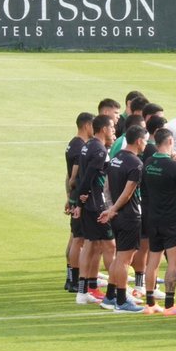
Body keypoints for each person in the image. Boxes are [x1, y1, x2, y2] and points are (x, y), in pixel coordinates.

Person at [141, 128, 176, 315]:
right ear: (170, 141)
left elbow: (144, 190)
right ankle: (170, 305)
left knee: (152, 260)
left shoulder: (148, 163)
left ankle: (150, 303)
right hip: (172, 219)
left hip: (152, 218)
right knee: (173, 262)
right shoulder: (174, 166)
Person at [97, 125, 147, 313]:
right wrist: (113, 209)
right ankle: (121, 300)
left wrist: (110, 208)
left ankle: (110, 296)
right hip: (129, 216)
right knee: (125, 260)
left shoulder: (116, 158)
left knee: (120, 257)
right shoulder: (136, 164)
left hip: (117, 215)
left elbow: (107, 187)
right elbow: (128, 193)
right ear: (139, 141)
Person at [70, 114, 116, 306]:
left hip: (90, 204)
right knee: (110, 246)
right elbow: (88, 176)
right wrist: (80, 202)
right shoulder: (99, 150)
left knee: (91, 245)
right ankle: (116, 292)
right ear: (104, 129)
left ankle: (84, 291)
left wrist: (78, 201)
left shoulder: (88, 145)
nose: (114, 131)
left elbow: (80, 175)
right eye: (112, 127)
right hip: (97, 205)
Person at [64, 111, 94, 293]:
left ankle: (71, 279)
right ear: (86, 125)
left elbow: (68, 177)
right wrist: (75, 198)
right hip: (79, 199)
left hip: (74, 197)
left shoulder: (73, 144)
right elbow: (73, 177)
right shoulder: (79, 147)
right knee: (79, 239)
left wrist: (69, 197)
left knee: (76, 238)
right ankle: (74, 280)